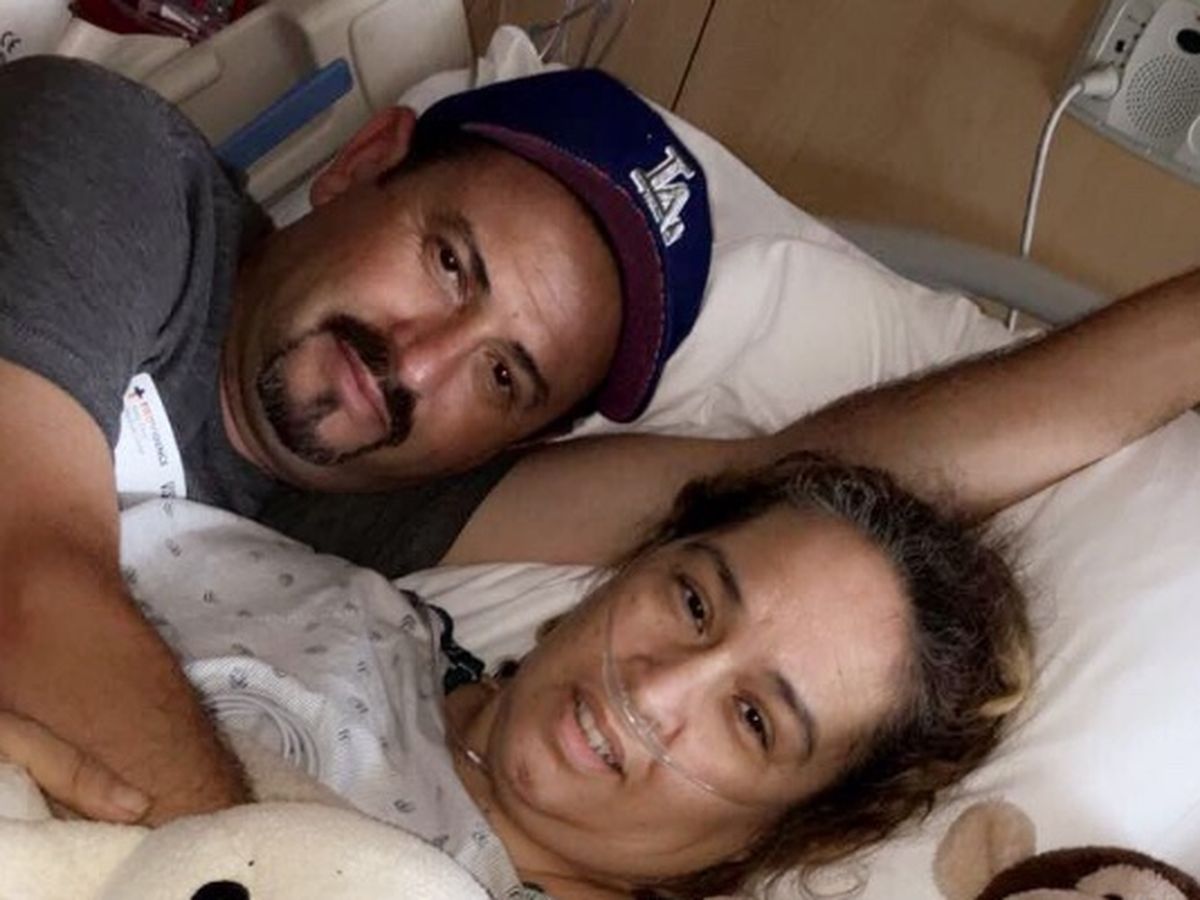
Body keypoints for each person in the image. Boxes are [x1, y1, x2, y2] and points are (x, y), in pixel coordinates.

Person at [3, 51, 1200, 824]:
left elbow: (838, 489)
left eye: (505, 375)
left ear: (515, 441)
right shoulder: (108, 174)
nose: (417, 363)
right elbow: (26, 587)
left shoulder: (375, 504)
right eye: (450, 262)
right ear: (364, 165)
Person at [0, 453, 1031, 900]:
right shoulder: (351, 608)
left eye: (754, 720)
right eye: (693, 602)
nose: (656, 691)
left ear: (789, 831)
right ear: (630, 566)